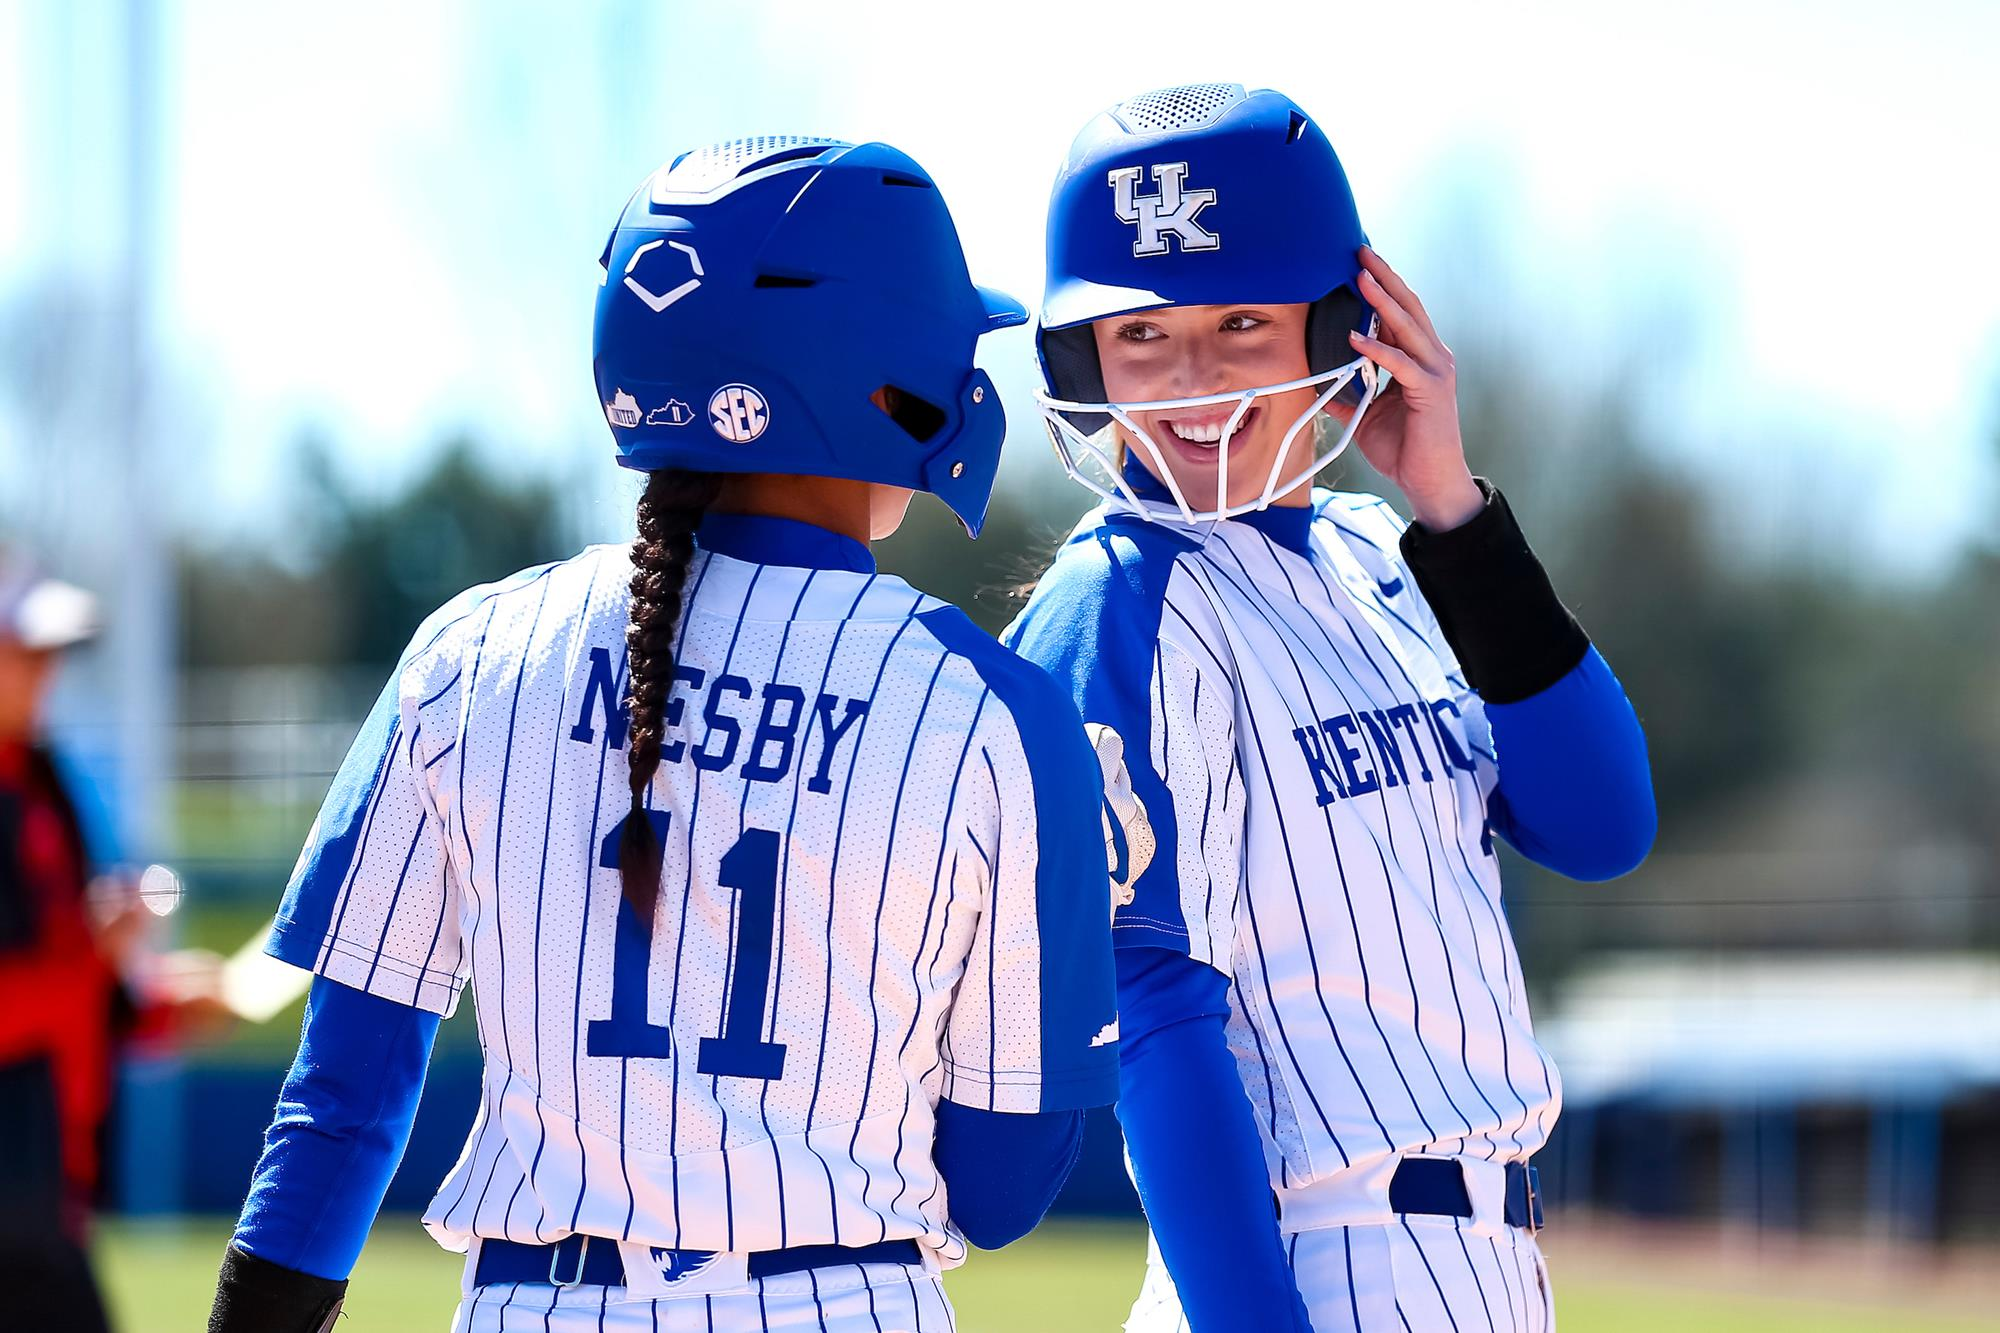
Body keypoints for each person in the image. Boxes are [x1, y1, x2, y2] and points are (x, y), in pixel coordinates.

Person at [205, 137, 1121, 1333]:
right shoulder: (990, 709)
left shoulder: (469, 653)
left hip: (542, 1305)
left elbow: (342, 1104)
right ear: (876, 373)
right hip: (836, 1300)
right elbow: (1000, 1186)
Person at [1005, 85, 1657, 1332]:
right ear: (1082, 356)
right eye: (1139, 333)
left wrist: (1452, 510)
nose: (1186, 377)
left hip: (1482, 1256)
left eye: (1240, 320)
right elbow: (1151, 1018)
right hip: (1311, 1255)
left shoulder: (1381, 558)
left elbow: (1599, 824)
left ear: (1340, 328)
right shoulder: (1117, 602)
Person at [0, 562, 232, 1333]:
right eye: (25, 651)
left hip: (43, 1198)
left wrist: (158, 1004)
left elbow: (72, 990)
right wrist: (100, 956)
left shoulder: (41, 781)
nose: (46, 672)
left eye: (50, 653)